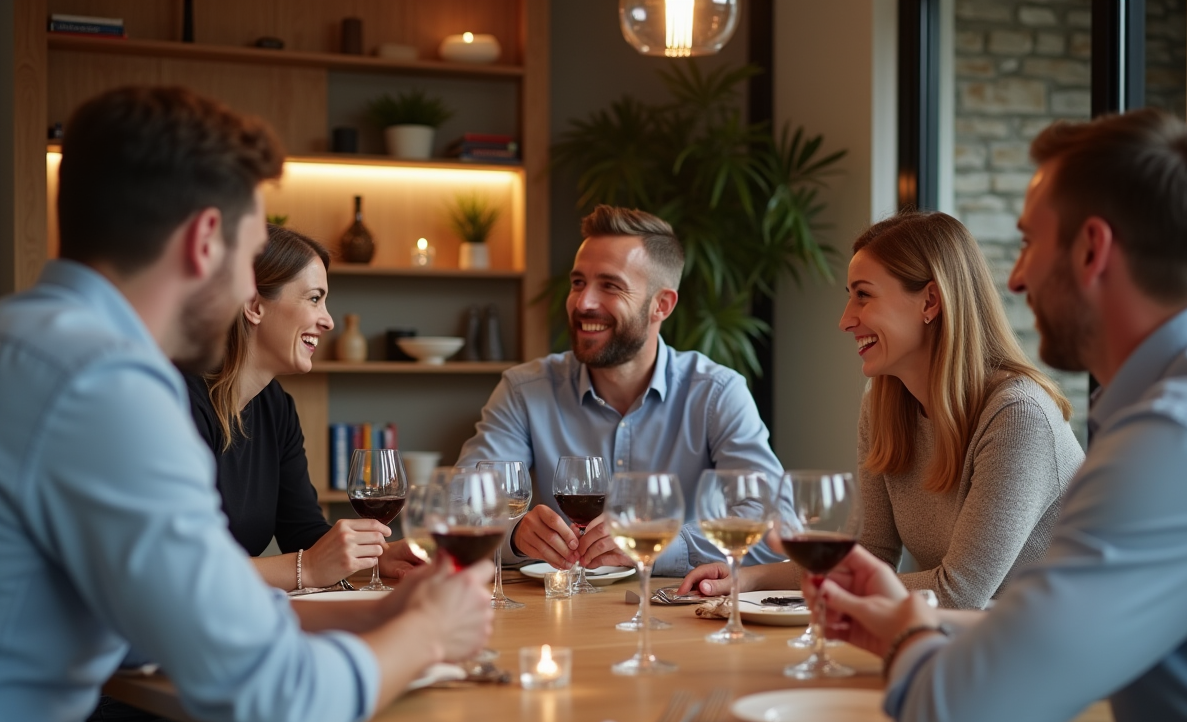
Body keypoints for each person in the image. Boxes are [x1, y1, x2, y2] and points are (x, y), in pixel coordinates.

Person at [0, 85, 493, 722]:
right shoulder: (106, 387)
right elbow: (276, 701)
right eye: (249, 252)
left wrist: (380, 612)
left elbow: (148, 625)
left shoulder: (27, 342)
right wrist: (428, 635)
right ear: (205, 241)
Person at [813, 108, 1187, 722]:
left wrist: (907, 637)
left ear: (1091, 250)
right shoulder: (1157, 418)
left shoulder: (1169, 444)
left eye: (1027, 244)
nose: (1014, 279)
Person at [681, 212, 1083, 609]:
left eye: (864, 295)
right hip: (958, 643)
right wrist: (745, 577)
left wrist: (827, 590)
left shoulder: (1017, 416)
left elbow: (958, 594)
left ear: (930, 300)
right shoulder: (883, 404)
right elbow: (870, 555)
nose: (845, 320)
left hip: (1052, 652)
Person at [456, 204, 785, 577]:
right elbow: (461, 508)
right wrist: (515, 535)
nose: (583, 303)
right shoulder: (524, 390)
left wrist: (656, 544)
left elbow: (774, 523)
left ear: (661, 305)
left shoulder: (716, 393)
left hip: (677, 617)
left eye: (609, 285)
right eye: (578, 282)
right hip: (557, 617)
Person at [185, 223, 417, 590]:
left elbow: (303, 530)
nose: (327, 321)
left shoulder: (276, 407)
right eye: (314, 298)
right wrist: (305, 569)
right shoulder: (180, 403)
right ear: (254, 305)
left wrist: (377, 556)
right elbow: (185, 564)